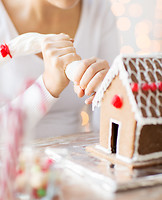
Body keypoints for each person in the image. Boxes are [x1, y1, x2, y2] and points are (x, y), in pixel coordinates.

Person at [0, 0, 120, 139]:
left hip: (74, 156)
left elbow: (107, 135)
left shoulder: (99, 10)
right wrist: (46, 87)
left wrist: (107, 94)